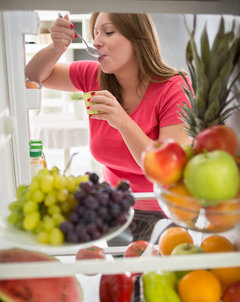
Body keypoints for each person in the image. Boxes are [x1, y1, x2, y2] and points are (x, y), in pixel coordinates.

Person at [25, 12, 192, 241]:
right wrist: (56, 48)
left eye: (108, 32)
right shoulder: (93, 77)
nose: (96, 41)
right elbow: (34, 75)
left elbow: (167, 173)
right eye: (95, 33)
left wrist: (122, 121)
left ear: (138, 39)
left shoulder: (175, 88)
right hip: (114, 212)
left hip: (165, 214)